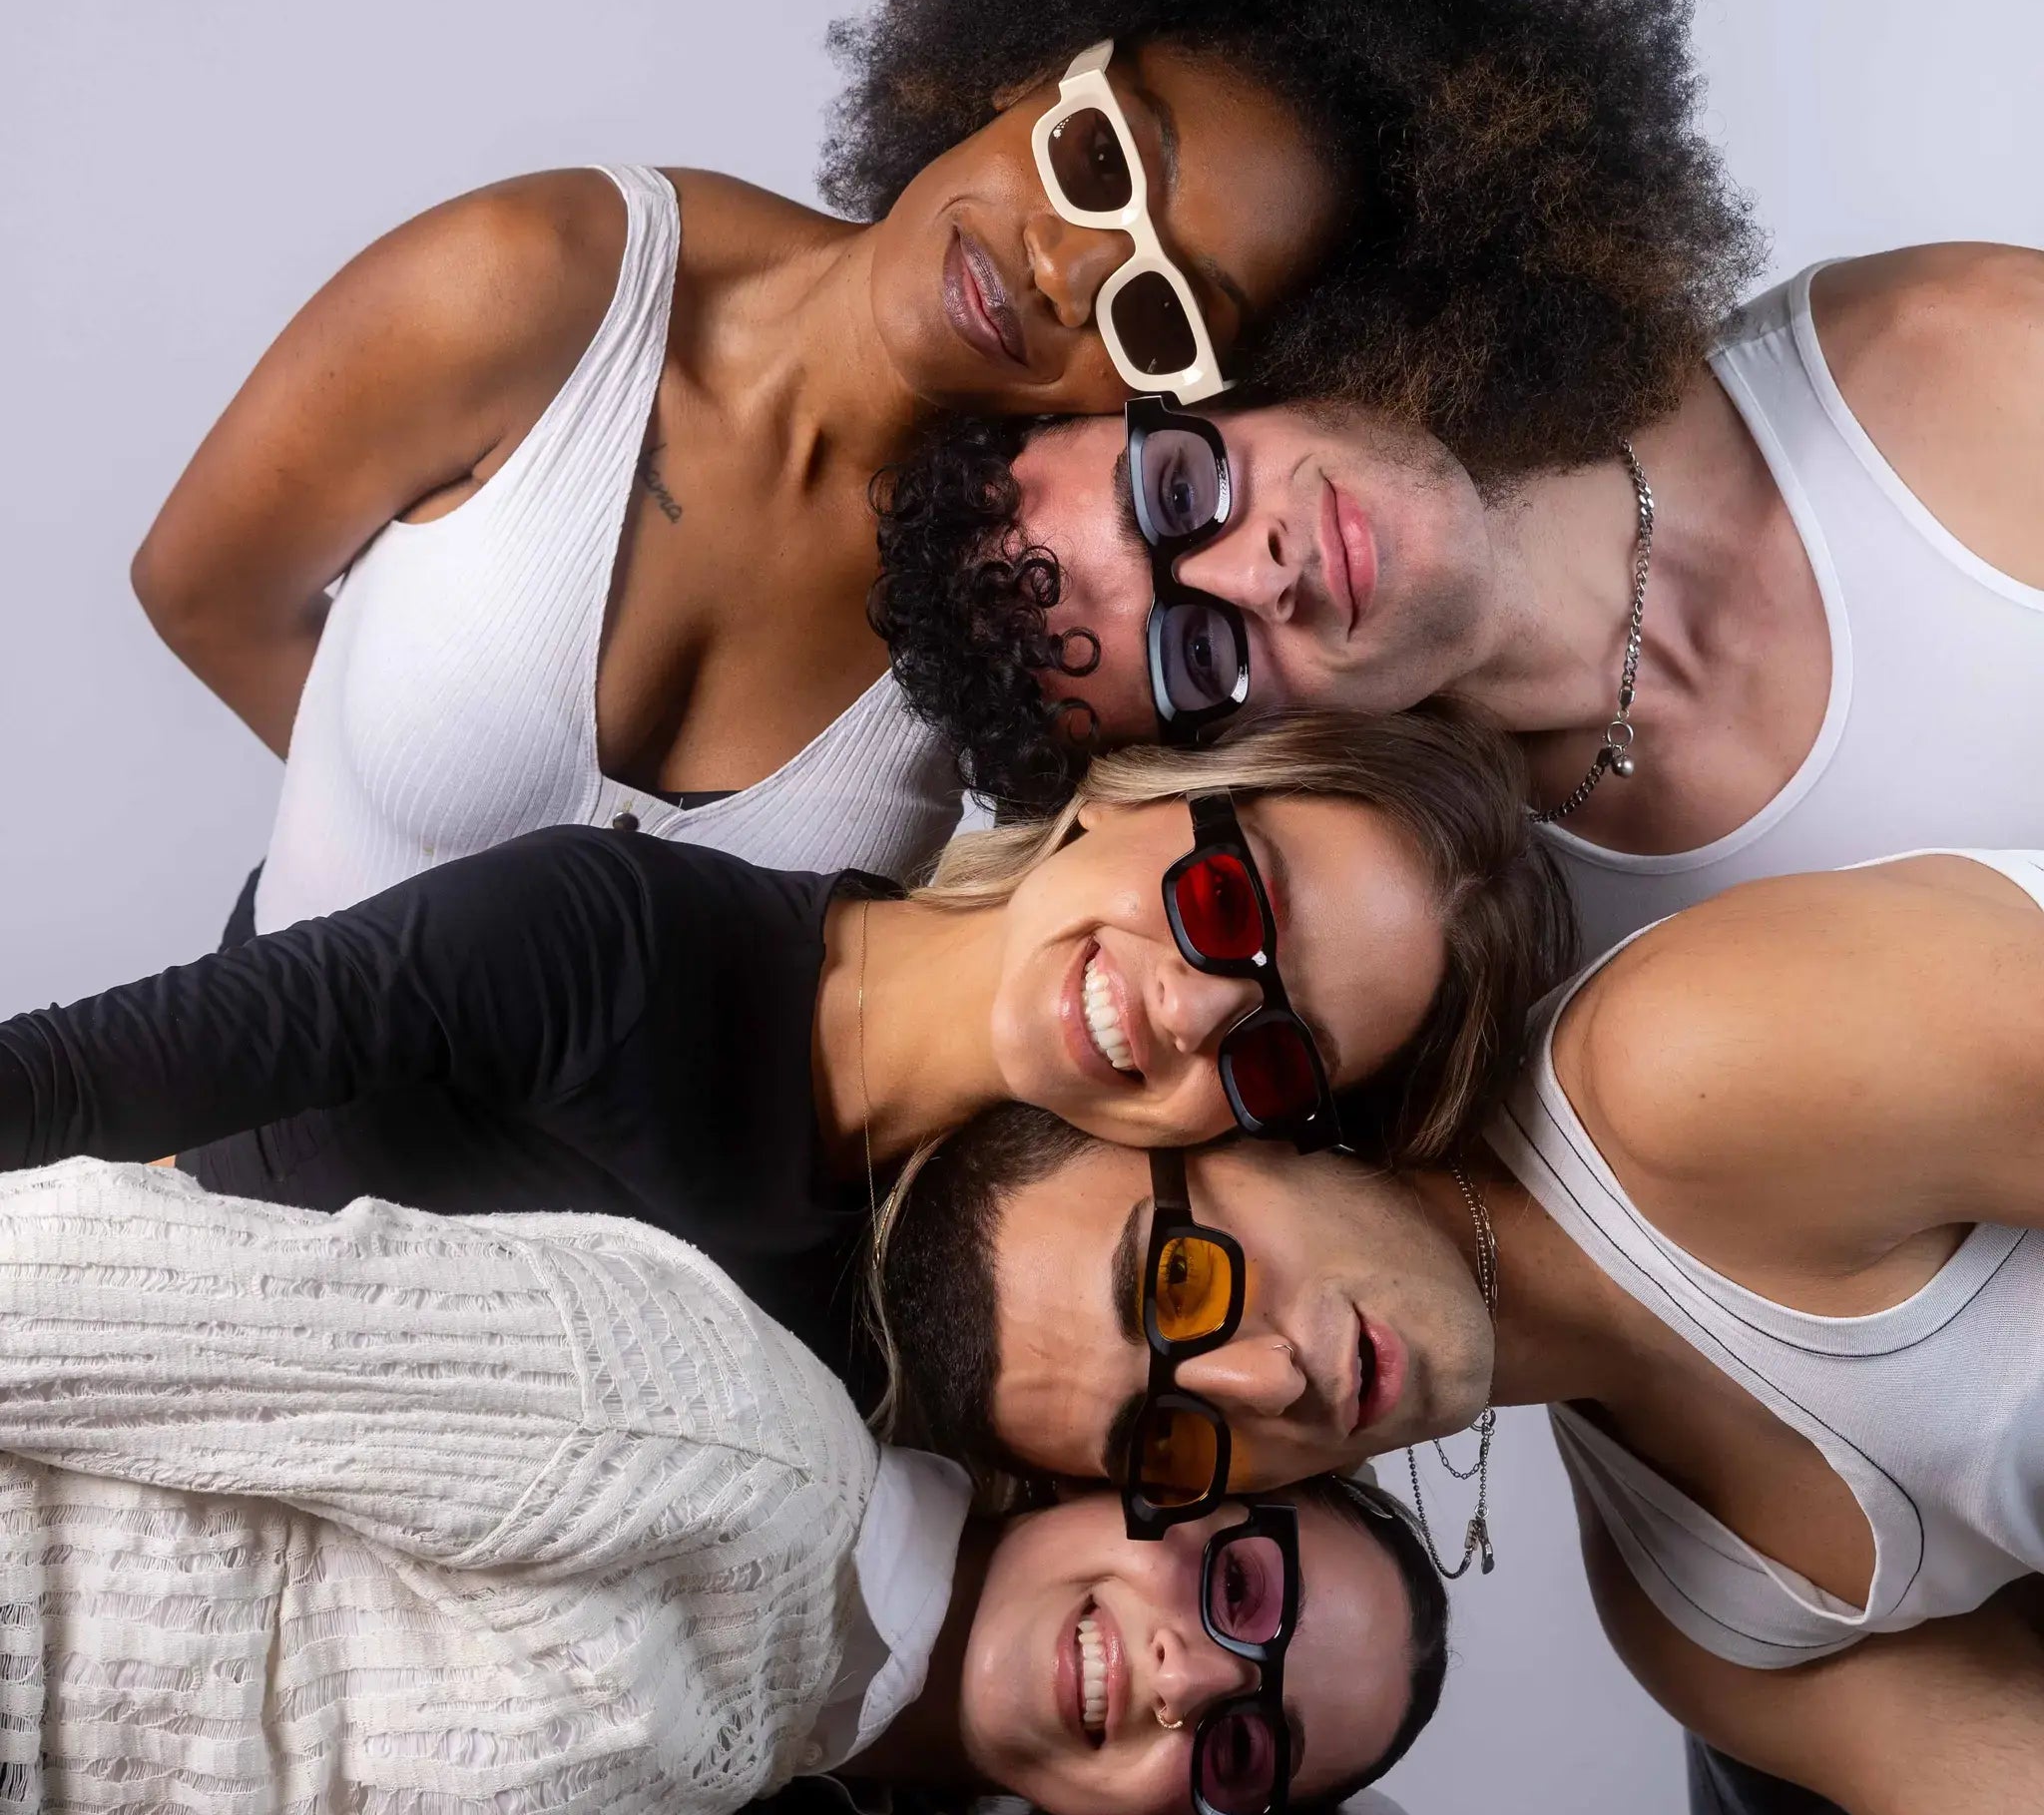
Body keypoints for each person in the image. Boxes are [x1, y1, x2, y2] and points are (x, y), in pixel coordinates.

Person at [130, 0, 1749, 933]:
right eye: (1100, 154)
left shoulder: (1054, 636)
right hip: (261, 1134)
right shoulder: (543, 285)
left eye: (1164, 307)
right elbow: (203, 588)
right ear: (1030, 64)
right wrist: (394, 859)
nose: (1065, 260)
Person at [873, 846, 2044, 1815]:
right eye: (1167, 1434)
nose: (1265, 1378)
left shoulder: (1684, 1065)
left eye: (1178, 1284)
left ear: (1235, 1122)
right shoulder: (1692, 1612)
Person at [0, 708, 1574, 1385]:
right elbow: (70, 1084)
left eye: (1276, 1057)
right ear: (1134, 792)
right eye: (1232, 900)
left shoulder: (959, 1306)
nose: (1194, 1005)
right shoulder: (616, 941)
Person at [0, 1154, 1447, 1815]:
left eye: (1248, 1746)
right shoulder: (730, 1438)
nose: (1191, 1679)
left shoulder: (730, 1789)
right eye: (1241, 1594)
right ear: (1128, 1481)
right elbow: (72, 1284)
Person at [874, 244, 2044, 945]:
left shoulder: (1937, 359)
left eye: (1181, 488)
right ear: (1243, 748)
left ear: (1228, 384)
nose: (1257, 572)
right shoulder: (1540, 971)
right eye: (1196, 653)